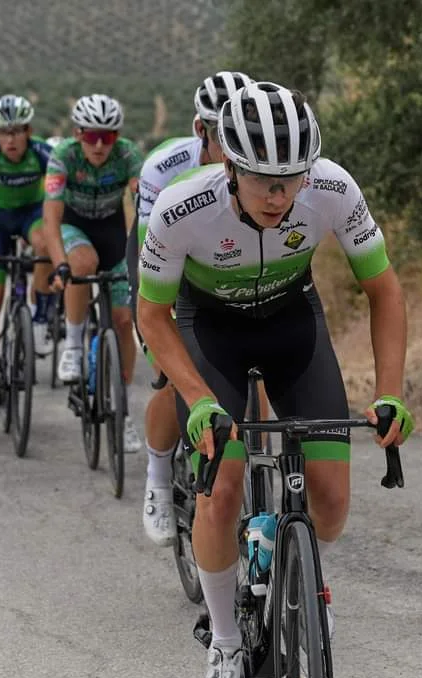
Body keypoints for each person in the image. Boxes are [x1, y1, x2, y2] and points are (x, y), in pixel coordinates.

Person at [136, 82, 415, 678]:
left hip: (294, 325)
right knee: (223, 487)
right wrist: (199, 399)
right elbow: (152, 316)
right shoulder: (181, 209)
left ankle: (299, 569)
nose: (278, 196)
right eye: (263, 180)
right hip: (211, 335)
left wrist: (392, 392)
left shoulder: (334, 189)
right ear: (229, 165)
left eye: (290, 180)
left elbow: (386, 293)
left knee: (334, 503)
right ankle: (228, 647)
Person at [127, 70, 257, 546]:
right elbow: (148, 259)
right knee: (168, 371)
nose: (230, 141)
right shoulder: (164, 168)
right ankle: (158, 479)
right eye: (219, 131)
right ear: (200, 130)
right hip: (162, 263)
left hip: (221, 270)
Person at [44, 94, 144, 453]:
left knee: (122, 321)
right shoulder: (63, 156)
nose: (100, 145)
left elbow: (144, 205)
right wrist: (60, 263)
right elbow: (51, 217)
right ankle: (71, 344)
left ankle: (123, 408)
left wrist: (148, 254)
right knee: (82, 265)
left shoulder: (129, 154)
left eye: (108, 136)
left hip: (114, 234)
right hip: (76, 228)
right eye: (91, 137)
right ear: (77, 134)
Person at [0, 95, 54, 421]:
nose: (10, 139)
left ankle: (43, 317)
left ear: (28, 131)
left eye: (17, 132)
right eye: (3, 132)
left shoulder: (44, 153)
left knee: (46, 243)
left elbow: (53, 205)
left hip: (32, 215)